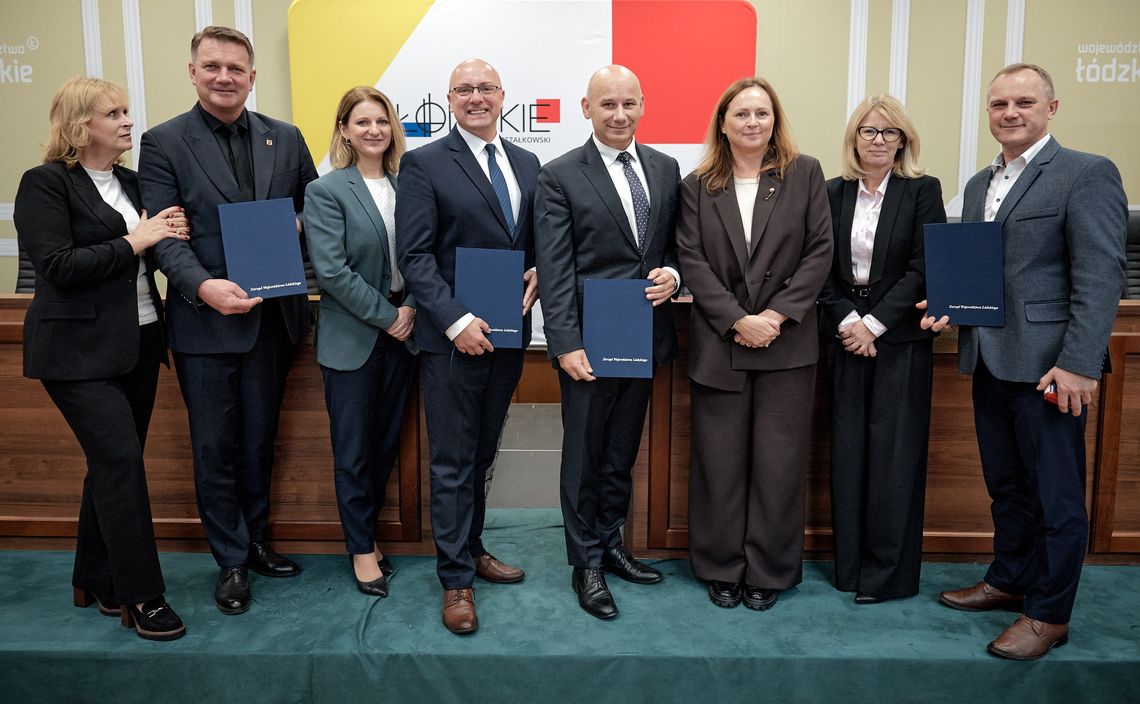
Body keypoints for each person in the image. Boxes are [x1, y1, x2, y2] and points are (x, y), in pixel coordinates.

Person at [922, 63, 1126, 660]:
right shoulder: (984, 182)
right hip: (989, 357)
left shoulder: (1085, 173)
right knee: (1007, 485)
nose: (1009, 113)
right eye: (998, 104)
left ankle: (1049, 613)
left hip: (1050, 368)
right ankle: (1010, 579)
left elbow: (1100, 273)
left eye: (1023, 102)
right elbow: (989, 271)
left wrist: (1081, 363)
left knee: (1057, 496)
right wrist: (948, 305)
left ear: (1051, 109)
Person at [138, 26, 319, 615]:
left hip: (273, 320)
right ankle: (232, 561)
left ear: (252, 76)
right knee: (215, 446)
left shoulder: (285, 138)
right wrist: (202, 286)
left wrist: (299, 226)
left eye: (235, 68)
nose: (224, 77)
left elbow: (316, 208)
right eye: (212, 66)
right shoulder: (162, 141)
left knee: (260, 439)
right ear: (192, 72)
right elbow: (165, 235)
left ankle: (258, 540)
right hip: (204, 321)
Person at [15, 77, 189, 640]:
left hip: (138, 342)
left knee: (113, 464)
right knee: (121, 464)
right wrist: (137, 241)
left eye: (126, 111)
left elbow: (153, 251)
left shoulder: (136, 183)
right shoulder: (45, 184)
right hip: (74, 352)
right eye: (113, 113)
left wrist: (168, 238)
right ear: (78, 124)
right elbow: (59, 267)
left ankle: (94, 576)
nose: (126, 121)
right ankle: (144, 597)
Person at [395, 58, 540, 634]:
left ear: (503, 94)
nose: (476, 97)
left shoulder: (527, 162)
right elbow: (415, 256)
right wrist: (455, 321)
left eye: (486, 88)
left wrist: (539, 272)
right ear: (449, 99)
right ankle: (455, 580)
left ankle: (474, 548)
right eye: (465, 90)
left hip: (507, 336)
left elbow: (533, 242)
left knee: (481, 457)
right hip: (454, 340)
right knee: (453, 462)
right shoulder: (425, 163)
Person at [677, 77, 833, 611]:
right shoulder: (698, 184)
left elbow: (819, 252)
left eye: (761, 113)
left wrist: (775, 315)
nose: (752, 122)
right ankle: (721, 567)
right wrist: (736, 319)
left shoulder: (805, 173)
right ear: (722, 122)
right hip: (721, 343)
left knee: (778, 464)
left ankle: (768, 570)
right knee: (718, 465)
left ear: (775, 121)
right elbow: (691, 260)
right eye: (740, 113)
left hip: (786, 345)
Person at [534, 65, 680, 620]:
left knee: (621, 454)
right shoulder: (560, 175)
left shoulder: (666, 169)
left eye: (628, 104)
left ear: (643, 105)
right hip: (588, 346)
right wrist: (564, 342)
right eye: (607, 105)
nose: (619, 114)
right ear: (586, 108)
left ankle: (613, 545)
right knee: (584, 458)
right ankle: (585, 563)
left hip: (643, 337)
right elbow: (554, 266)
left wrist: (673, 274)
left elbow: (673, 249)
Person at [817, 95, 945, 604]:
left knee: (894, 460)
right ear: (854, 139)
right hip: (842, 335)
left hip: (899, 340)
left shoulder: (922, 191)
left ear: (903, 141)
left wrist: (873, 324)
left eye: (888, 133)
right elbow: (816, 263)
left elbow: (923, 265)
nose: (877, 141)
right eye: (868, 131)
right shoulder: (829, 191)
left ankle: (886, 577)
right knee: (848, 455)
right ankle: (849, 569)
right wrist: (849, 320)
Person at [303, 86, 416, 597]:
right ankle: (361, 548)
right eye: (362, 122)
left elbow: (422, 253)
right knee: (353, 451)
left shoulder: (408, 184)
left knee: (384, 445)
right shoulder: (326, 191)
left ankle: (368, 533)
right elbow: (331, 271)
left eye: (382, 121)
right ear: (344, 130)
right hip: (354, 338)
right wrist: (388, 315)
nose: (373, 130)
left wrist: (410, 306)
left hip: (405, 335)